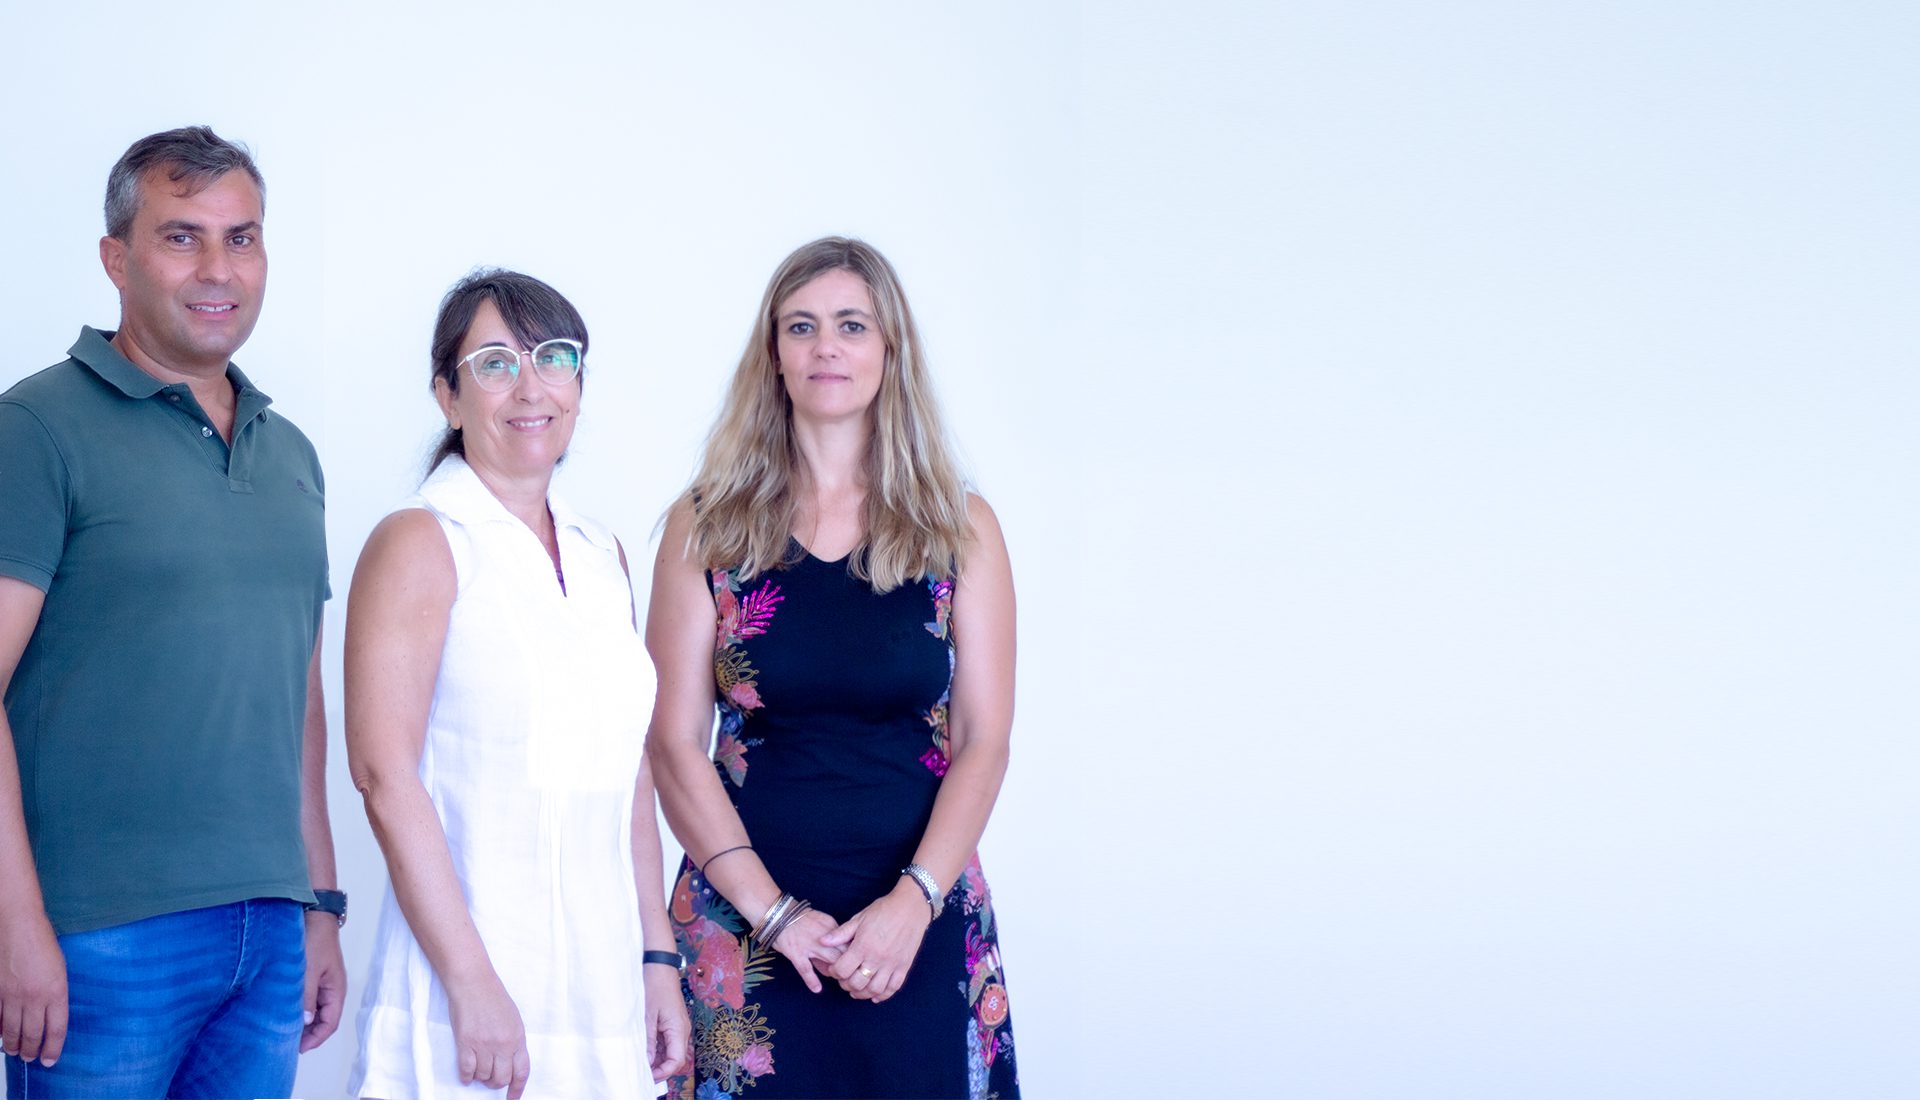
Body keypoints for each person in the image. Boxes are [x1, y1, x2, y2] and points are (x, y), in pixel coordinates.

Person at [0, 125, 345, 1099]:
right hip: (99, 936)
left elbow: (299, 703)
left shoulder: (293, 454)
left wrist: (320, 903)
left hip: (268, 933)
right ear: (117, 258)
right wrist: (15, 922)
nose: (218, 269)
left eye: (242, 238)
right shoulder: (36, 428)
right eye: (181, 236)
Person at [647, 237, 1020, 1098]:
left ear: (890, 349)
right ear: (773, 353)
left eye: (852, 325)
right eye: (802, 326)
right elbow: (671, 744)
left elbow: (985, 740)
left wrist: (912, 903)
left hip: (918, 924)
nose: (826, 347)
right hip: (745, 927)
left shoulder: (959, 528)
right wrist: (774, 914)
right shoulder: (706, 526)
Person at [345, 269, 691, 1099]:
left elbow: (628, 773)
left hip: (602, 992)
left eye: (554, 357)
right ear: (448, 396)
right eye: (496, 362)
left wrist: (656, 956)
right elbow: (383, 776)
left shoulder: (602, 554)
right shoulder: (422, 541)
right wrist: (472, 982)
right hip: (468, 993)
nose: (530, 387)